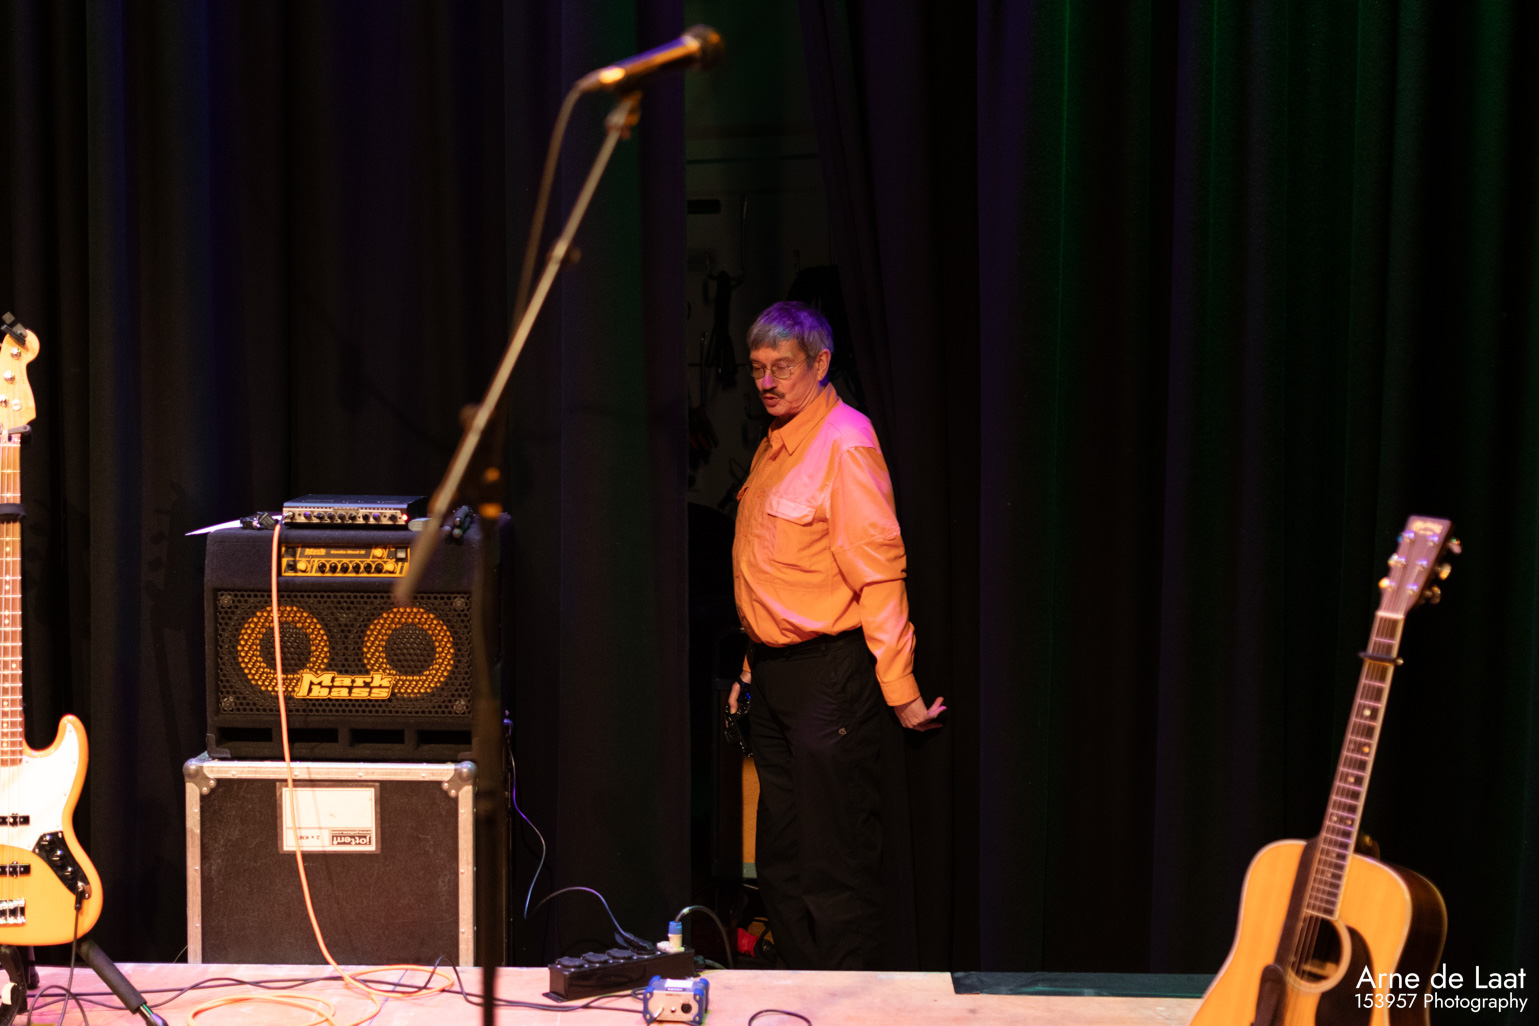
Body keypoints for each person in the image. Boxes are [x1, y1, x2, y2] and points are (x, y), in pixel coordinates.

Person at [726, 300, 945, 971]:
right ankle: (798, 995)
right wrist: (749, 667)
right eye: (757, 368)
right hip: (775, 676)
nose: (767, 382)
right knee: (781, 861)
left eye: (782, 367)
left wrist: (901, 689)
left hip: (829, 678)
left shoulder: (844, 442)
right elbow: (774, 569)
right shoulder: (775, 442)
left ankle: (848, 1005)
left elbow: (879, 574)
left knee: (834, 863)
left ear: (820, 363)